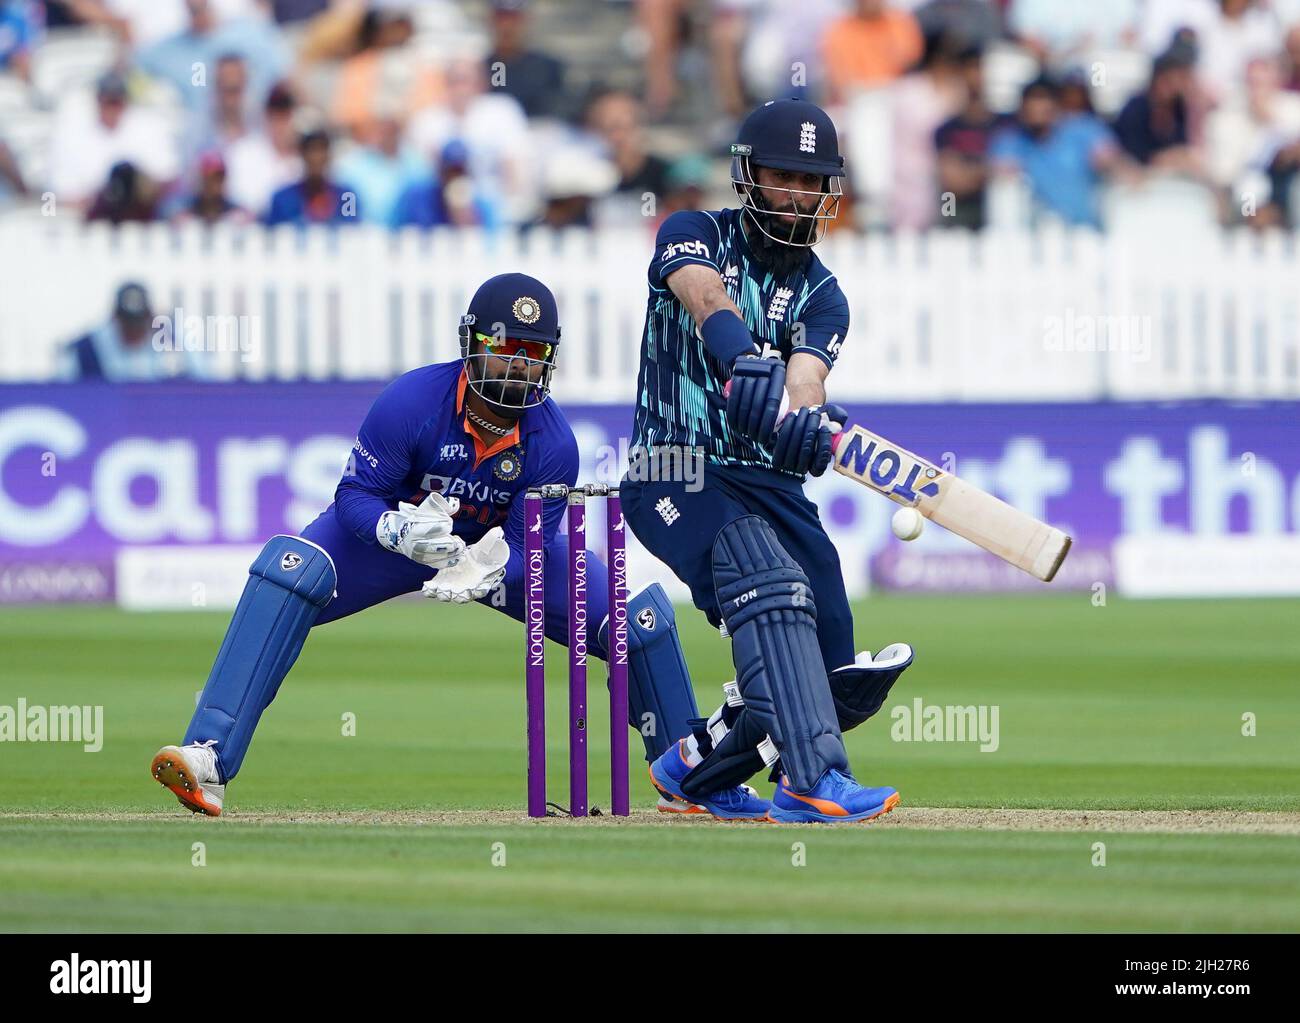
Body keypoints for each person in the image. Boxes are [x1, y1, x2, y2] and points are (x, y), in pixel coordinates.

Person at [151, 274, 724, 817]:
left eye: (532, 351)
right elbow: (354, 496)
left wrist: (487, 566)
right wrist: (395, 531)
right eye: (504, 347)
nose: (517, 364)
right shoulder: (413, 402)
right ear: (471, 345)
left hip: (495, 557)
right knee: (288, 570)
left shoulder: (553, 444)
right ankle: (208, 756)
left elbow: (531, 547)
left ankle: (690, 779)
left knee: (639, 622)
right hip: (398, 541)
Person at [624, 99, 914, 823]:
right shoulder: (694, 232)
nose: (797, 195)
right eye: (782, 176)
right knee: (771, 583)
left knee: (828, 664)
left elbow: (808, 377)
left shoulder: (824, 293)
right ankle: (812, 780)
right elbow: (702, 294)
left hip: (768, 482)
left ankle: (694, 768)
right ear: (748, 177)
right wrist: (742, 356)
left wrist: (805, 422)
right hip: (675, 469)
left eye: (811, 181)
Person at [990, 75, 1125, 227]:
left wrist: (1108, 163)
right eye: (1031, 101)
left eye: (1042, 100)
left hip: (1084, 229)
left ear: (1056, 104)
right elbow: (998, 169)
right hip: (1036, 231)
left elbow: (1111, 158)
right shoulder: (1010, 140)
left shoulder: (1083, 130)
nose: (1036, 108)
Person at [61, 281, 195, 381]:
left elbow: (202, 381)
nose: (133, 332)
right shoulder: (88, 348)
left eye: (138, 324)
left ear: (150, 317)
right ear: (115, 319)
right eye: (127, 325)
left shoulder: (172, 343)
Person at [264, 129, 359, 226]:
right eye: (311, 151)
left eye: (321, 150)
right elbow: (274, 233)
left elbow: (351, 230)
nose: (316, 158)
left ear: (329, 156)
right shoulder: (283, 198)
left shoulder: (347, 197)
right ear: (302, 155)